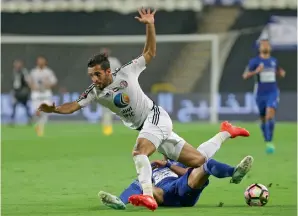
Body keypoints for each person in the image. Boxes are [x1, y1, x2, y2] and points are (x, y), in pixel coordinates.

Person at [37, 8, 249, 211]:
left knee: (139, 152)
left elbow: (149, 52)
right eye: (91, 75)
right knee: (199, 161)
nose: (93, 79)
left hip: (155, 117)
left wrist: (150, 25)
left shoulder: (126, 72)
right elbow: (73, 105)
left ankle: (148, 194)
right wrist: (54, 109)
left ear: (108, 71)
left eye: (97, 75)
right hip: (148, 127)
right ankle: (231, 157)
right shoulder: (95, 91)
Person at [98, 127, 253, 209]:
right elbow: (134, 186)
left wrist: (169, 165)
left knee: (207, 164)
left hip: (182, 188)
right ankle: (119, 203)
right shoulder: (150, 169)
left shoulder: (177, 164)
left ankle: (235, 173)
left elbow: (187, 172)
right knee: (147, 187)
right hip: (165, 196)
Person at [242, 40, 285, 154]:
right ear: (259, 48)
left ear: (270, 48)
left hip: (273, 92)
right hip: (260, 94)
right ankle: (266, 139)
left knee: (269, 114)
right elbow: (245, 75)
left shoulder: (274, 61)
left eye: (267, 44)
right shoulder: (254, 61)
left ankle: (270, 141)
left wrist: (281, 73)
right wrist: (256, 71)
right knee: (263, 118)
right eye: (263, 44)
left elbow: (278, 72)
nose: (265, 46)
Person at [30, 56, 57, 137]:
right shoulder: (33, 72)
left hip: (46, 93)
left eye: (42, 61)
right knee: (37, 111)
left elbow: (54, 81)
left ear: (45, 62)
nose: (41, 63)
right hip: (36, 93)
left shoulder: (48, 72)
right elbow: (29, 81)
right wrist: (32, 86)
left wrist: (48, 84)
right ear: (37, 62)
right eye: (39, 61)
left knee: (46, 110)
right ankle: (37, 124)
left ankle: (40, 127)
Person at [99, 48, 122, 136]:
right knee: (105, 108)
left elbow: (120, 71)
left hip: (113, 86)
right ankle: (107, 128)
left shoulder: (114, 61)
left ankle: (109, 126)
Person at [10, 59, 32, 125]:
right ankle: (12, 119)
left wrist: (27, 90)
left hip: (23, 91)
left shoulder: (24, 72)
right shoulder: (14, 72)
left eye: (18, 64)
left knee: (25, 105)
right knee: (14, 105)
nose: (17, 66)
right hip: (16, 92)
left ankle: (29, 118)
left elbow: (27, 81)